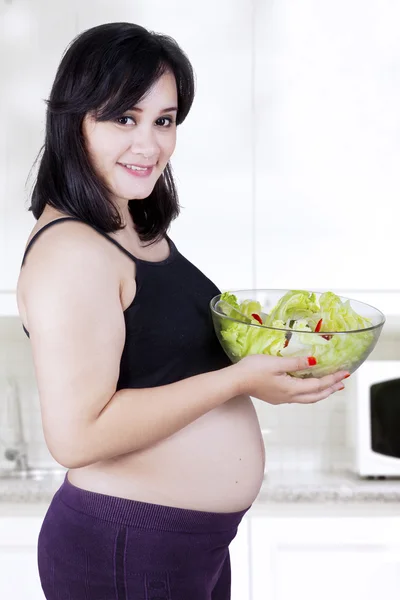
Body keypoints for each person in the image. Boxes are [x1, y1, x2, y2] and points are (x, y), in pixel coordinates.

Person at [16, 22, 349, 600]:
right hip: (125, 549)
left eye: (163, 121)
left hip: (184, 545)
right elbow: (76, 436)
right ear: (74, 120)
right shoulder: (73, 251)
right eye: (124, 118)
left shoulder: (129, 228)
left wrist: (257, 368)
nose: (149, 145)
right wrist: (238, 380)